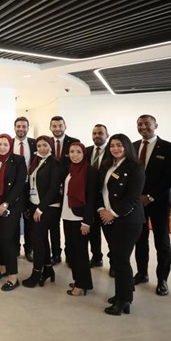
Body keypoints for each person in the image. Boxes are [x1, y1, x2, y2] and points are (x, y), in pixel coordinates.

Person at [98, 134, 146, 316]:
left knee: (121, 259)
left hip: (128, 220)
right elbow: (100, 191)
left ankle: (123, 300)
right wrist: (102, 210)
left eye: (119, 145)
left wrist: (113, 213)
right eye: (112, 145)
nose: (115, 149)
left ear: (127, 147)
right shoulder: (106, 165)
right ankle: (124, 293)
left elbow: (133, 197)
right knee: (117, 258)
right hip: (108, 219)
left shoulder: (135, 167)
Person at [132, 114, 171, 296]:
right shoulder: (133, 146)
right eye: (140, 124)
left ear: (156, 125)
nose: (143, 127)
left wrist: (150, 197)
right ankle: (142, 273)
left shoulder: (169, 148)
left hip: (159, 203)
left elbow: (170, 178)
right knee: (140, 240)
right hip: (137, 203)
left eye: (147, 124)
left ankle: (162, 280)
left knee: (162, 242)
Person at [22, 136, 62, 288]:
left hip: (48, 206)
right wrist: (29, 206)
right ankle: (48, 269)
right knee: (42, 239)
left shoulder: (55, 163)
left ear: (50, 146)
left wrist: (40, 208)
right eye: (39, 146)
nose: (42, 148)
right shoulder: (36, 161)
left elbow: (53, 189)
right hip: (35, 204)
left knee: (37, 240)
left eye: (45, 145)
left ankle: (37, 272)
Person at [0, 134, 28, 292]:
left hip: (11, 205)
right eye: (0, 144)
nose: (2, 147)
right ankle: (3, 268)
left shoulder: (18, 160)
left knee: (7, 239)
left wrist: (5, 204)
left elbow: (19, 184)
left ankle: (13, 276)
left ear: (10, 146)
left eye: (5, 144)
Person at [61, 142, 97, 297]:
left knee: (80, 252)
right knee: (71, 250)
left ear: (84, 154)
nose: (75, 155)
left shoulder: (90, 171)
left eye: (78, 152)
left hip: (80, 218)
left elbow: (91, 198)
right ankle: (79, 280)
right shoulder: (70, 169)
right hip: (67, 215)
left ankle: (81, 284)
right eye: (72, 152)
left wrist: (87, 221)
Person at [48, 116, 79, 264]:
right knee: (54, 224)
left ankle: (71, 254)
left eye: (60, 125)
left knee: (69, 223)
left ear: (65, 126)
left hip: (69, 189)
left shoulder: (74, 142)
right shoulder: (46, 143)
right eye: (54, 126)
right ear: (50, 128)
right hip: (51, 190)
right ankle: (56, 254)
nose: (57, 129)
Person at [85, 124, 111, 269]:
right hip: (91, 198)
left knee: (109, 233)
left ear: (107, 135)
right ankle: (96, 257)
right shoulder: (87, 151)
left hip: (107, 199)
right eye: (94, 133)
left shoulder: (112, 151)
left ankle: (114, 263)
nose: (97, 136)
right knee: (93, 230)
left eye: (100, 133)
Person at [13, 116, 36, 262]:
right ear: (14, 128)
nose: (21, 129)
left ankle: (29, 249)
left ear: (28, 128)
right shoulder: (8, 143)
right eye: (18, 126)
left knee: (29, 219)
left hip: (30, 187)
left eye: (24, 126)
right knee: (14, 219)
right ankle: (15, 248)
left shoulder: (35, 144)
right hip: (14, 187)